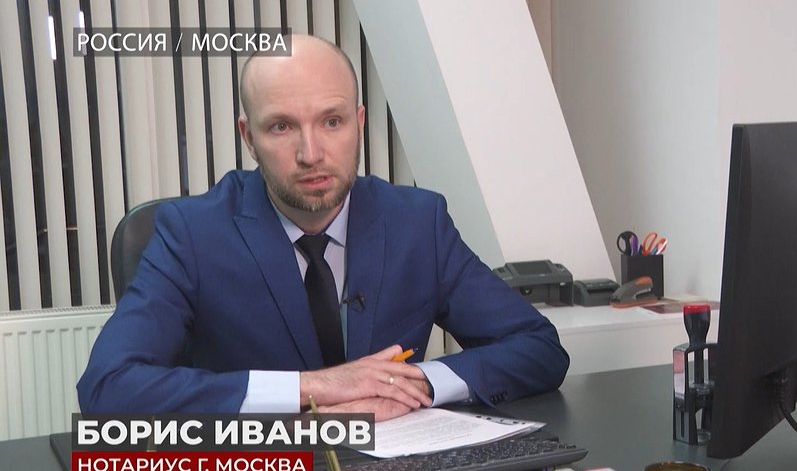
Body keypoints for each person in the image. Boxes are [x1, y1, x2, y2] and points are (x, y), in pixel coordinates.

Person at [77, 34, 569, 420]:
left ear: (359, 122)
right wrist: (316, 388)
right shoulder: (191, 234)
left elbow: (538, 348)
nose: (311, 154)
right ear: (249, 138)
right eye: (282, 126)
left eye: (332, 122)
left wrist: (410, 384)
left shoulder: (418, 222)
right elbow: (108, 388)